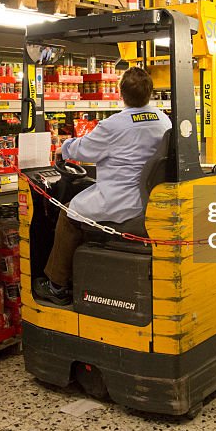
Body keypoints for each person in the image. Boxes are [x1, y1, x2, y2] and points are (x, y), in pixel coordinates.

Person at [35, 67, 171, 305]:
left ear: (121, 93)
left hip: (119, 201)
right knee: (83, 200)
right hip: (147, 200)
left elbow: (84, 149)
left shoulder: (114, 124)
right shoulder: (162, 119)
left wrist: (63, 148)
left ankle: (56, 285)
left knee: (68, 213)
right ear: (150, 92)